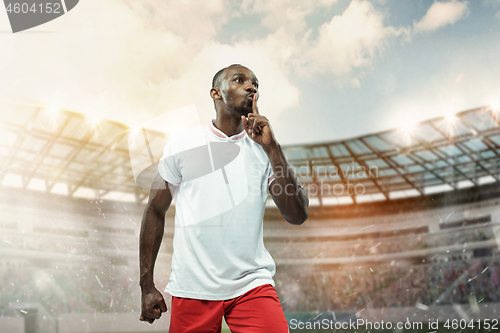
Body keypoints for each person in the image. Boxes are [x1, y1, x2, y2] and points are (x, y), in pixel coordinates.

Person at [139, 64, 309, 332]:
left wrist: (272, 148)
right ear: (215, 93)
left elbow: (297, 215)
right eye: (240, 80)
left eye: (255, 83)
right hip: (193, 286)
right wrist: (146, 285)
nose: (251, 86)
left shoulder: (265, 150)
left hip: (251, 284)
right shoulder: (182, 146)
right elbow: (154, 211)